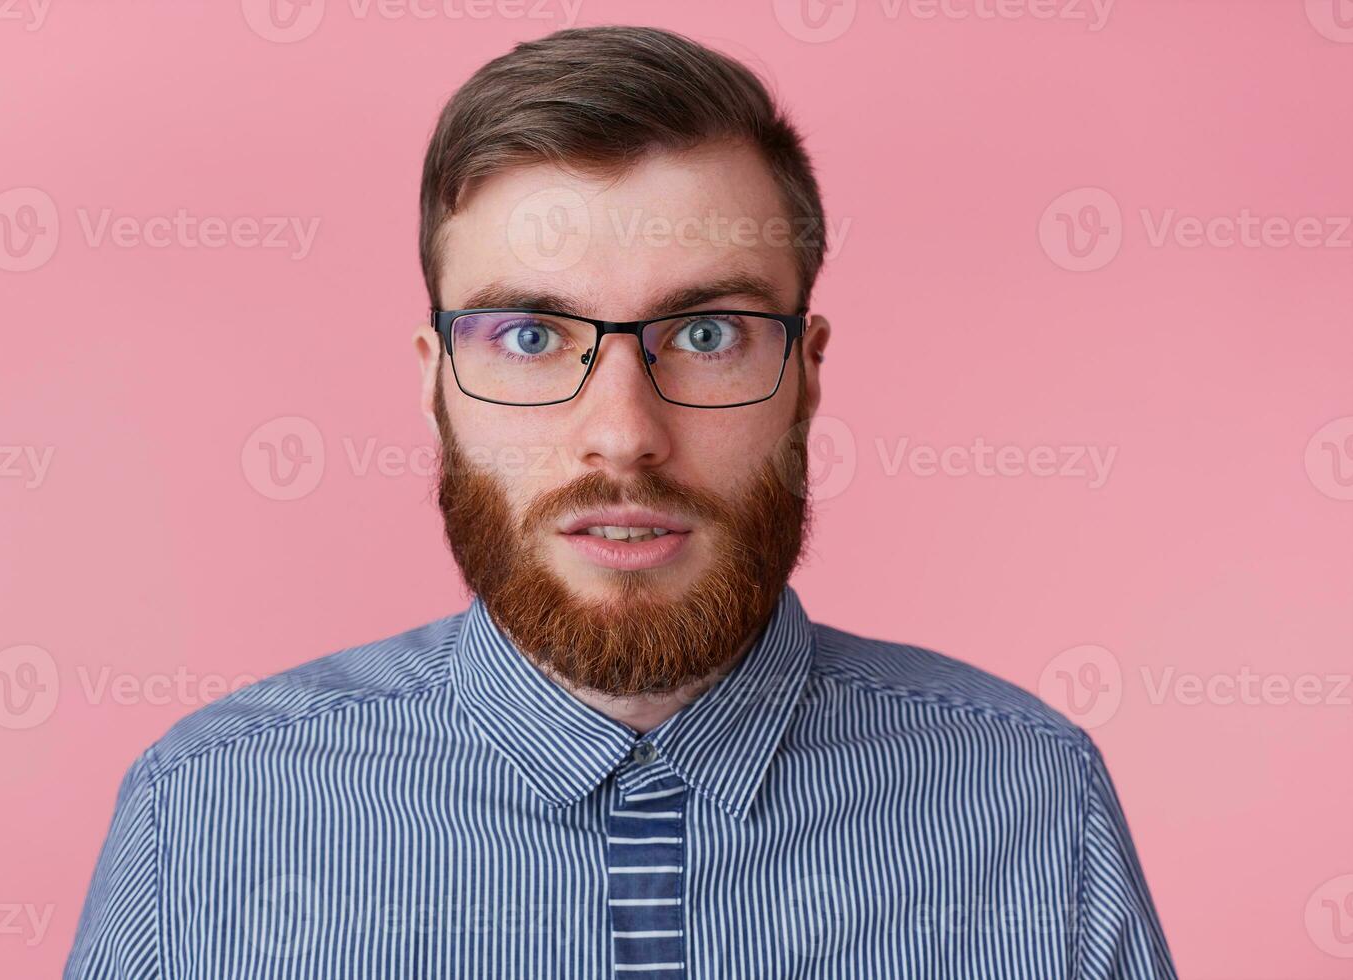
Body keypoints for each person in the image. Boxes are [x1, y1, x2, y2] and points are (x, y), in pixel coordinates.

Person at [65, 25, 1177, 978]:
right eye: (531, 335)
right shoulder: (205, 816)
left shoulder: (1033, 800)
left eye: (705, 335)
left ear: (809, 369)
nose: (623, 435)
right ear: (433, 376)